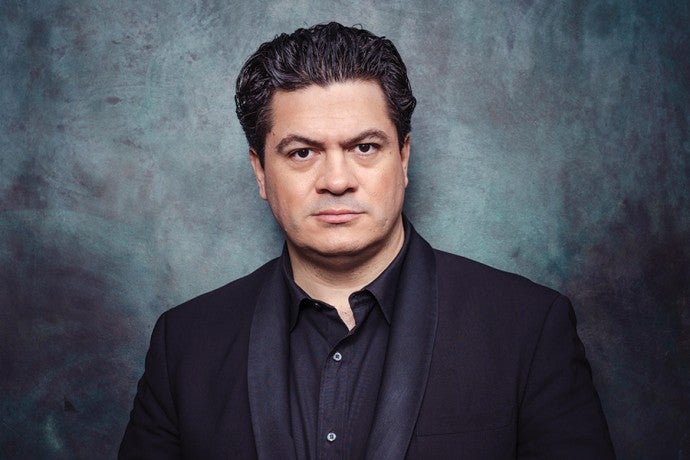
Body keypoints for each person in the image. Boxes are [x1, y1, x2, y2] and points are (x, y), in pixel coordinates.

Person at [119, 22, 615, 459]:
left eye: (364, 147)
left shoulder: (527, 328)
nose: (337, 180)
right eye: (302, 153)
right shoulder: (184, 344)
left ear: (403, 158)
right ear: (261, 172)